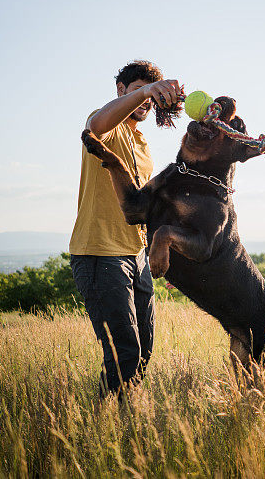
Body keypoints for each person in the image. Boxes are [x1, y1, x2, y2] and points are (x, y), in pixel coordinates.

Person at [69, 60, 181, 397]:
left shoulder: (143, 145)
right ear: (121, 91)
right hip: (98, 254)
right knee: (123, 355)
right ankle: (105, 430)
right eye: (137, 92)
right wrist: (147, 91)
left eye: (150, 96)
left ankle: (122, 423)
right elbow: (97, 125)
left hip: (137, 256)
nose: (146, 102)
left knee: (143, 353)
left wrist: (165, 254)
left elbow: (145, 208)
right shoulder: (106, 124)